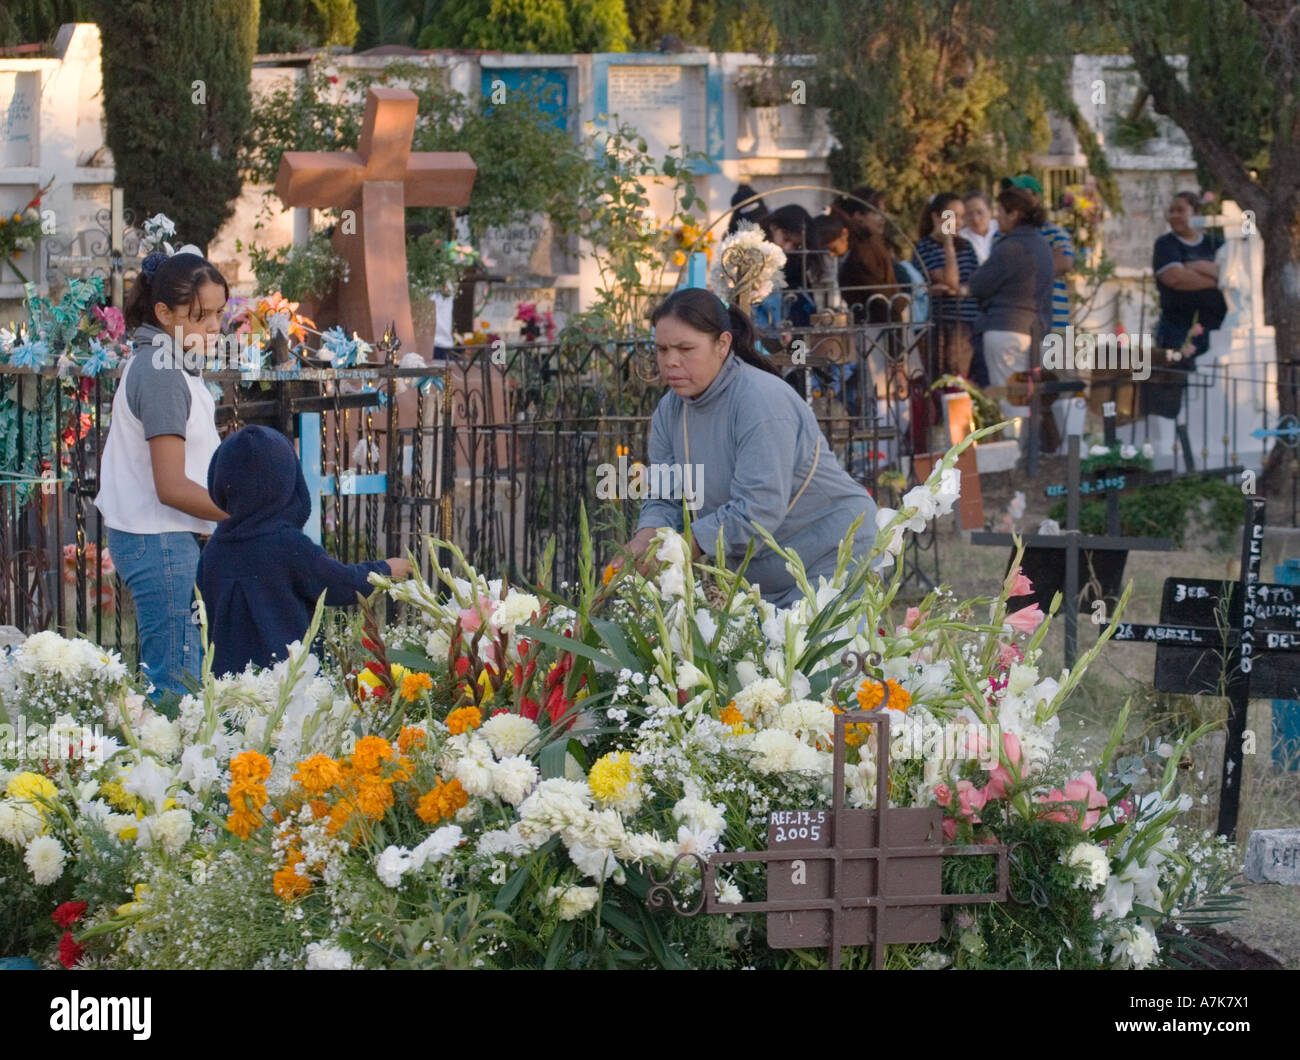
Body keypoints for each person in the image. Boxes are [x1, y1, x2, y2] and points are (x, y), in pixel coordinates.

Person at [611, 288, 882, 607]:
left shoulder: (760, 400)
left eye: (685, 348)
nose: (670, 361)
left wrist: (688, 544)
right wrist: (647, 536)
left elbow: (758, 507)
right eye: (661, 349)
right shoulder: (669, 412)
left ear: (722, 344)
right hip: (761, 576)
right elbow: (666, 497)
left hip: (831, 558)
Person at [94, 251, 230, 699]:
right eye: (199, 316)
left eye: (218, 314)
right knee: (176, 686)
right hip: (162, 540)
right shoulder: (162, 371)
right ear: (163, 313)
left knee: (181, 675)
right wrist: (240, 515)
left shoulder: (168, 363)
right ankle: (163, 767)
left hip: (165, 539)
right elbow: (170, 486)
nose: (214, 327)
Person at [196, 425, 413, 676]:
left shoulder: (214, 550)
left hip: (228, 684)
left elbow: (199, 613)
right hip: (289, 681)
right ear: (288, 483)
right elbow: (339, 582)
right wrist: (384, 570)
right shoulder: (288, 545)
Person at [960, 187, 1054, 420]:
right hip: (1036, 330)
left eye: (1000, 212)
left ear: (1015, 214)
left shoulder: (1009, 246)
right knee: (1030, 402)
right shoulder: (1042, 244)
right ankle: (1031, 453)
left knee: (1011, 404)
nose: (996, 218)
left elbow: (978, 285)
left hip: (1006, 330)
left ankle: (1013, 453)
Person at [1144, 190, 1228, 418]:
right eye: (1171, 211)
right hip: (1176, 328)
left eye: (1180, 210)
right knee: (1173, 384)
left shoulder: (1215, 244)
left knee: (1207, 385)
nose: (1174, 216)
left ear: (1196, 212)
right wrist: (1215, 279)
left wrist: (1194, 265)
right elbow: (1176, 278)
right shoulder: (1166, 244)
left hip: (1214, 327)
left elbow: (1229, 275)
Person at [912, 192, 980, 380]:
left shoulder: (967, 247)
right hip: (944, 326)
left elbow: (975, 282)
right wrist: (949, 243)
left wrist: (959, 288)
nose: (958, 222)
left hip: (969, 323)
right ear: (936, 217)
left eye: (961, 216)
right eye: (952, 216)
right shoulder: (924, 248)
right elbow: (952, 280)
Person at [832, 186, 904, 325]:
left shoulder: (872, 244)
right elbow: (880, 296)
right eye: (876, 212)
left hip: (883, 322)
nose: (883, 218)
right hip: (876, 326)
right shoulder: (863, 250)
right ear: (859, 216)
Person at [959, 190, 998, 264]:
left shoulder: (1001, 229)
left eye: (980, 212)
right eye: (969, 214)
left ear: (990, 211)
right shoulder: (961, 238)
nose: (975, 219)